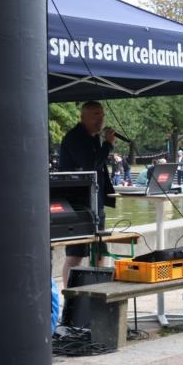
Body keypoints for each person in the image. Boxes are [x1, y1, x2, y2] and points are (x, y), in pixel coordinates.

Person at [59, 101, 116, 286]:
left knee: (100, 250)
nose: (100, 119)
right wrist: (107, 145)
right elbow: (90, 165)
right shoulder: (75, 138)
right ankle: (70, 297)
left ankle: (99, 290)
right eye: (94, 115)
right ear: (82, 117)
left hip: (95, 203)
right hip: (77, 205)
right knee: (76, 255)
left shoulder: (93, 138)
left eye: (101, 114)